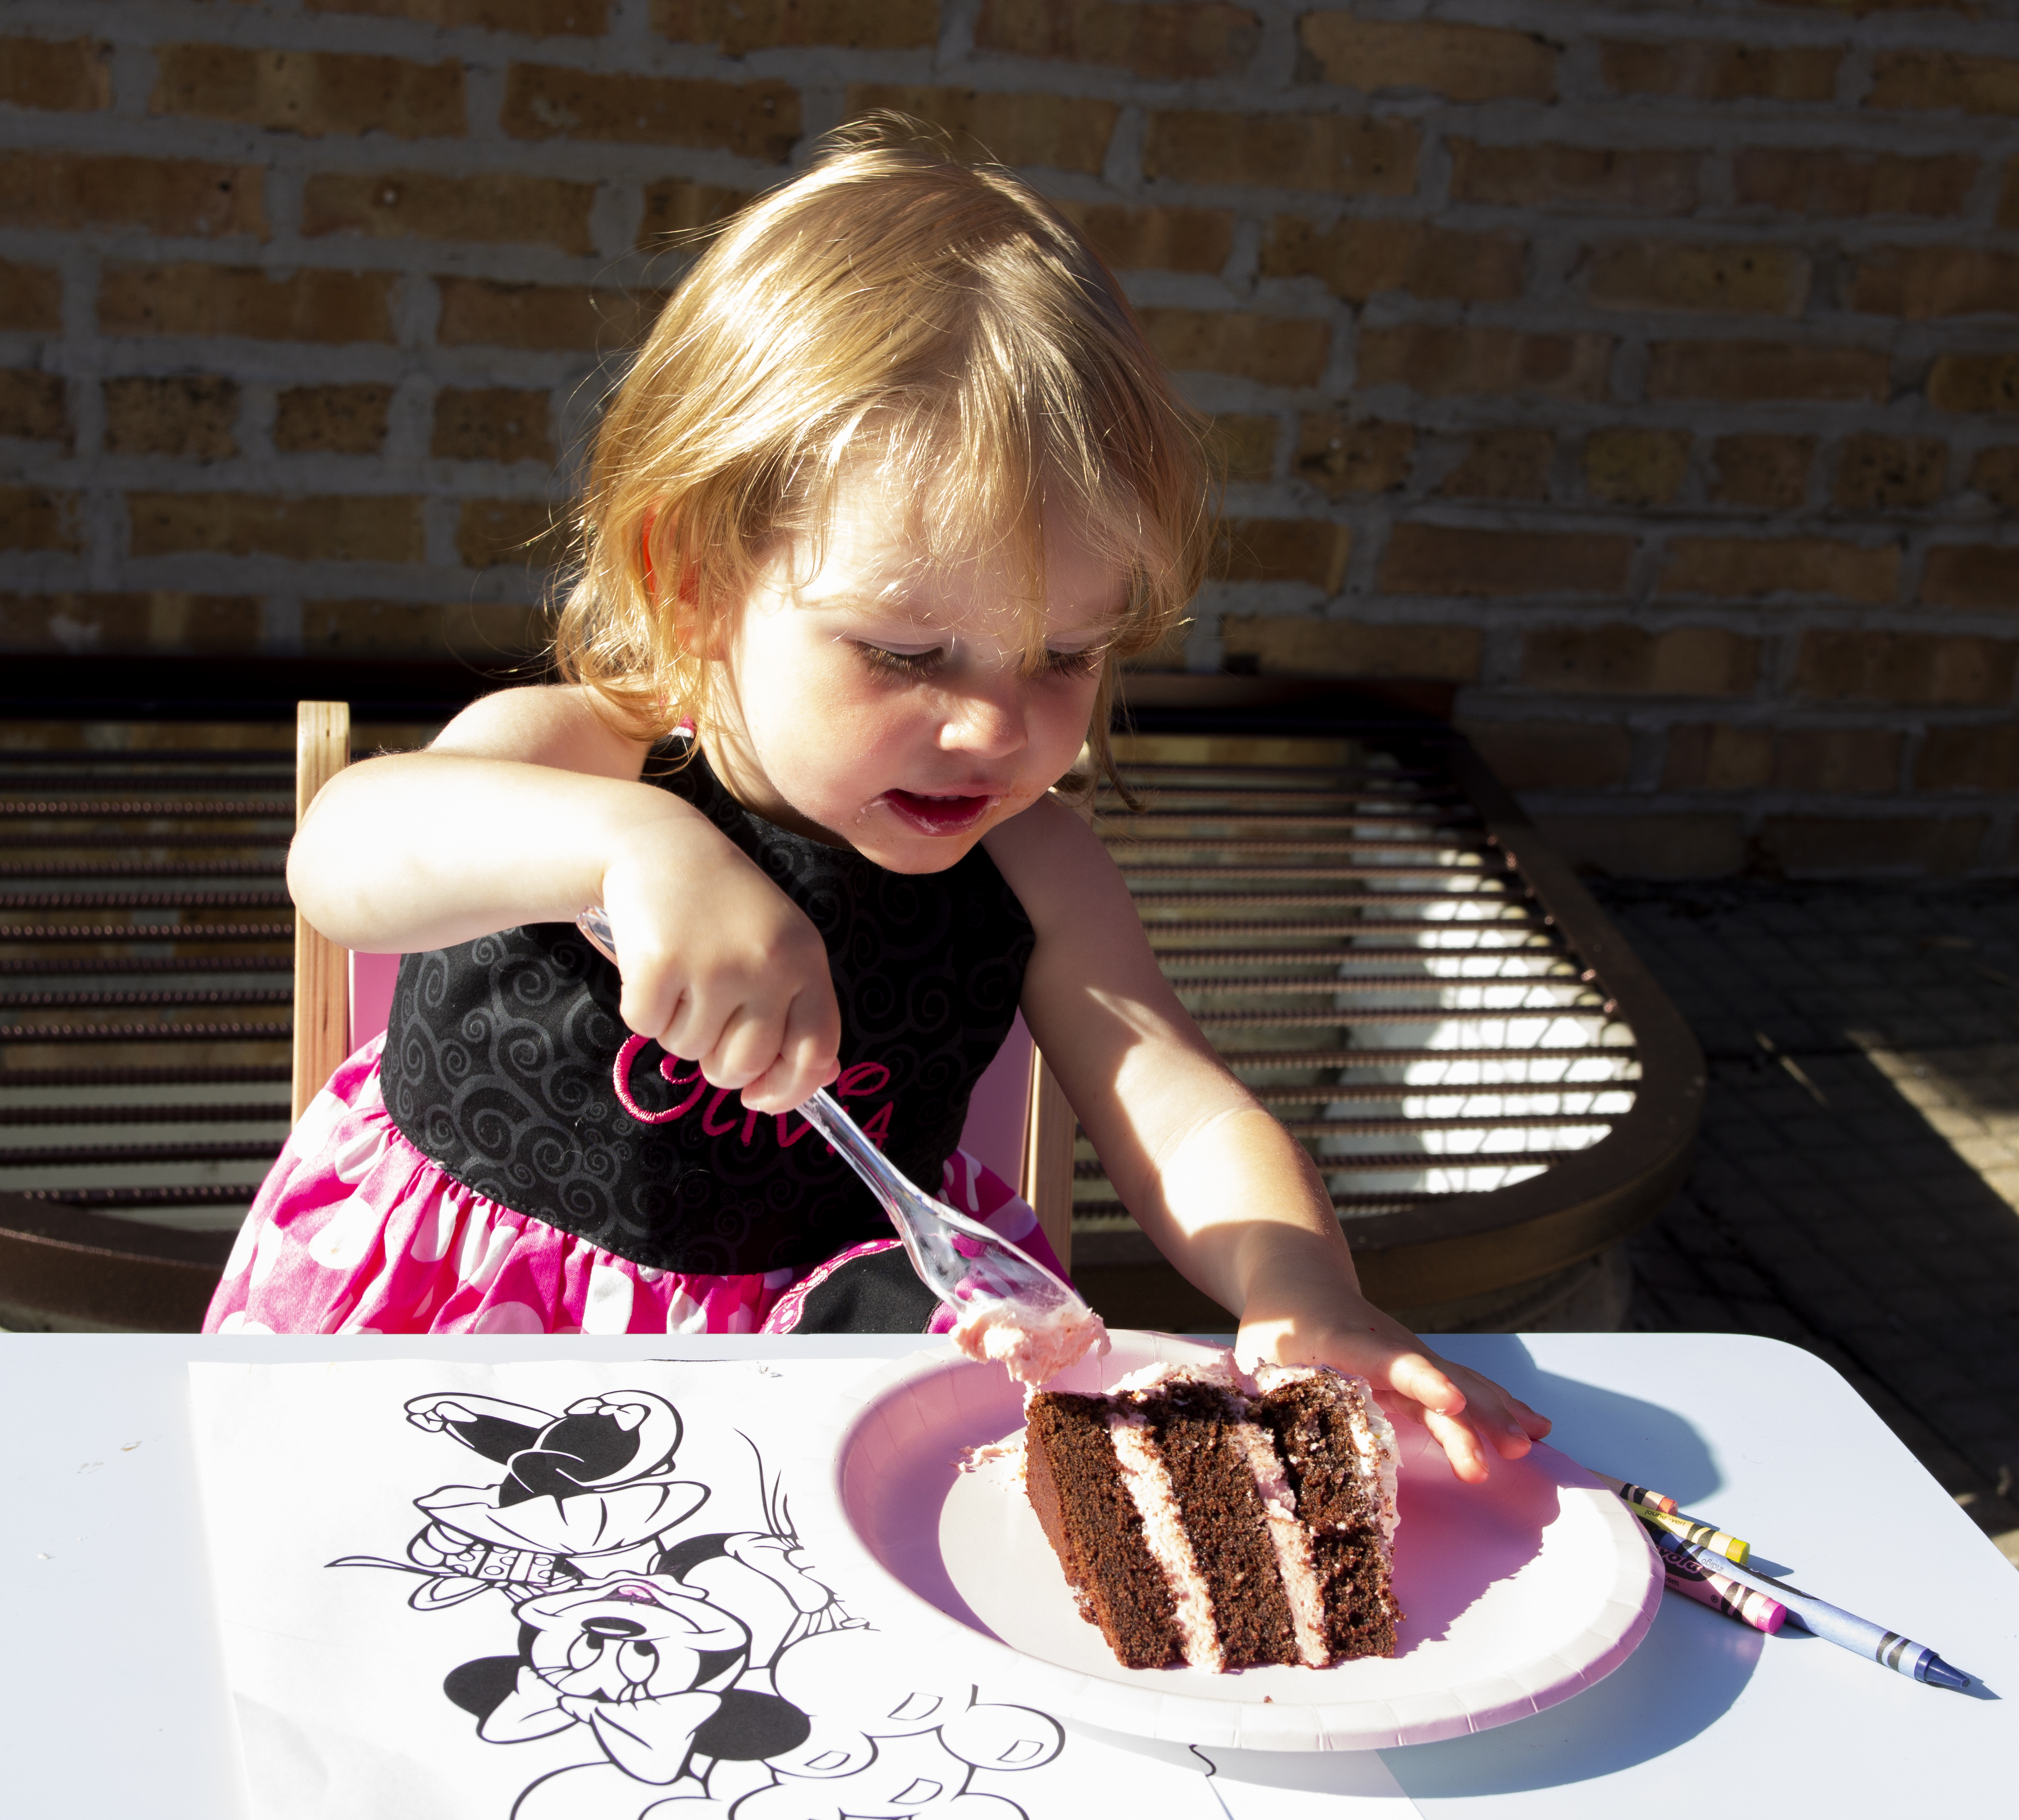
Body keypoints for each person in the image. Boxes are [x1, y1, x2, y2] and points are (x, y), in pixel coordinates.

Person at [210, 120, 1551, 1480]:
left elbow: (1186, 1114)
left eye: (1067, 656)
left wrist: (1302, 1292)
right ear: (694, 586)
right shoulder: (578, 758)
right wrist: (633, 845)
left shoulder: (1036, 869)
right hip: (460, 1337)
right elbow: (345, 857)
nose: (994, 724)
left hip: (844, 1358)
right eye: (907, 655)